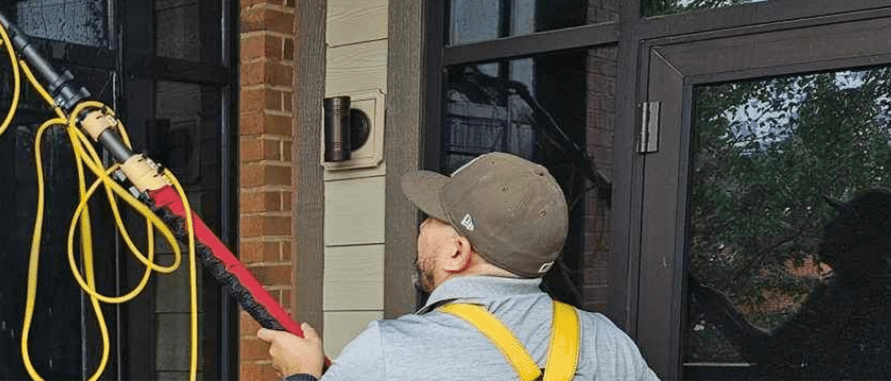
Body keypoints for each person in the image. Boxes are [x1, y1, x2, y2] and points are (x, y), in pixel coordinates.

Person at [257, 152, 658, 380]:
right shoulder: (608, 345)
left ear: (457, 252)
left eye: (432, 218)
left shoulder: (388, 353)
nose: (422, 227)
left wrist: (301, 374)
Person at [688, 187, 891, 380]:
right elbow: (775, 357)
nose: (828, 228)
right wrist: (720, 310)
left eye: (842, 221)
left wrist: (722, 313)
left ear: (864, 236)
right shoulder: (841, 289)